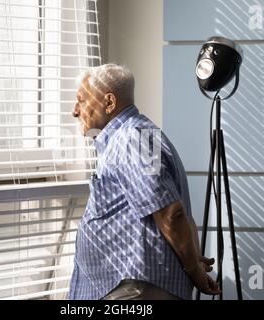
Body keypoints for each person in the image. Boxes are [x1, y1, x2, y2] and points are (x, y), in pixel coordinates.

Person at [69, 63, 220, 300]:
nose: (75, 111)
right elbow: (177, 211)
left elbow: (172, 213)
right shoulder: (137, 135)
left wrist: (194, 271)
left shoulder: (131, 139)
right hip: (129, 285)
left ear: (109, 102)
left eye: (82, 100)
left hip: (135, 288)